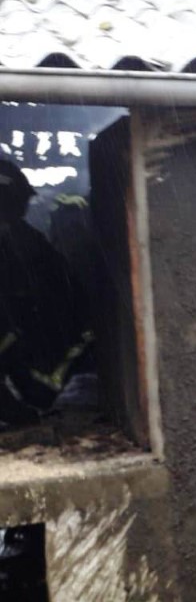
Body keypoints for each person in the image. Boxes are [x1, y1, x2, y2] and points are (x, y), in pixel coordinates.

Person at [0, 159, 92, 427]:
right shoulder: (19, 241)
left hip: (33, 340)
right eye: (18, 202)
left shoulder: (25, 241)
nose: (24, 209)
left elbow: (61, 289)